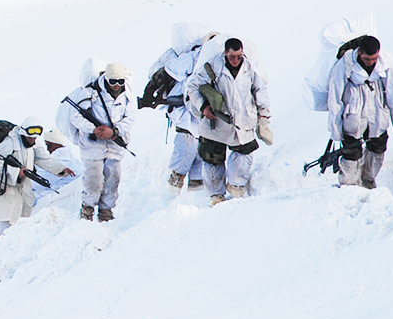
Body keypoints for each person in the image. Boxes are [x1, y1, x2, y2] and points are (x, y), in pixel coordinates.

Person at [186, 38, 272, 205]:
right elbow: (193, 87)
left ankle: (236, 186)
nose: (235, 60)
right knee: (212, 159)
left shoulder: (249, 69)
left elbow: (260, 91)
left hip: (243, 120)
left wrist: (264, 116)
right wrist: (203, 106)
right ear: (225, 53)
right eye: (232, 56)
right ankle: (216, 195)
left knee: (244, 153)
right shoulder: (212, 67)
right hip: (216, 122)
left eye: (239, 56)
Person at [141, 29, 219, 195]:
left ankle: (197, 184)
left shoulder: (222, 61)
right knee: (186, 139)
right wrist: (149, 93)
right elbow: (168, 72)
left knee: (202, 141)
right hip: (184, 108)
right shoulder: (193, 57)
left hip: (206, 109)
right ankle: (176, 179)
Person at [328, 35, 393, 188]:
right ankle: (349, 186)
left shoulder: (385, 64)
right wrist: (336, 130)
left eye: (374, 58)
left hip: (378, 114)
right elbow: (335, 98)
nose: (371, 62)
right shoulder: (345, 65)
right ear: (359, 53)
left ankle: (368, 180)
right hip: (353, 115)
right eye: (367, 59)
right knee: (351, 153)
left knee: (377, 149)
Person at [0, 117, 75, 240]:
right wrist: (16, 172)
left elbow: (43, 158)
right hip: (3, 184)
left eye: (35, 137)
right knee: (7, 216)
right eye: (30, 137)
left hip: (21, 184)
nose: (32, 140)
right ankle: (0, 242)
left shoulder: (33, 144)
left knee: (22, 215)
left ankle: (14, 240)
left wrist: (61, 169)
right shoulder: (9, 144)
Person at [67, 63, 135, 221]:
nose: (117, 85)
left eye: (120, 81)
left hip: (115, 143)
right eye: (113, 82)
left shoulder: (128, 94)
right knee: (93, 178)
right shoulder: (91, 92)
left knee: (113, 177)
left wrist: (115, 131)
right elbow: (75, 116)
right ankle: (87, 209)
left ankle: (106, 211)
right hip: (93, 146)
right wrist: (93, 129)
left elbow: (130, 118)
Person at [33, 129, 82, 201]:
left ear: (56, 144)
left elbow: (38, 184)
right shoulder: (72, 158)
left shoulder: (60, 161)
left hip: (56, 199)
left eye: (48, 146)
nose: (47, 149)